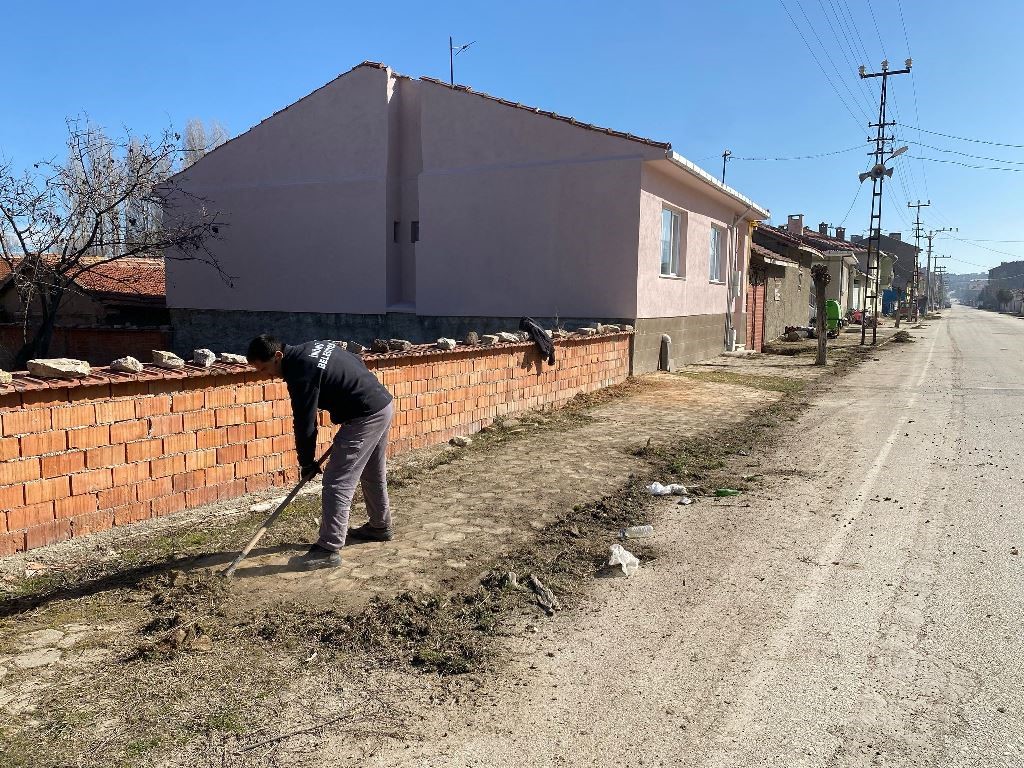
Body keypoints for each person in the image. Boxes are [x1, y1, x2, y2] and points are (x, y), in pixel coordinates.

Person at [246, 334, 395, 569]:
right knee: (372, 472)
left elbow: (305, 422)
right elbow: (356, 360)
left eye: (265, 369)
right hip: (381, 403)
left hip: (365, 414)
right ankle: (379, 526)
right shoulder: (312, 346)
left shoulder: (299, 371)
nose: (266, 376)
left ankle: (328, 548)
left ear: (278, 356)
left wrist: (306, 462)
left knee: (337, 481)